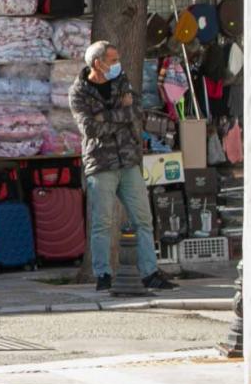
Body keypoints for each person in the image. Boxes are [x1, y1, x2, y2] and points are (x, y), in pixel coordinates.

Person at [68, 40, 173, 295]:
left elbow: (135, 111)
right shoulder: (79, 92)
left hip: (128, 160)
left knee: (143, 219)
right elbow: (90, 128)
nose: (118, 65)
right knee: (102, 222)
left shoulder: (122, 81)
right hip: (101, 163)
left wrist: (105, 116)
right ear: (98, 63)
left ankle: (150, 273)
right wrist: (119, 114)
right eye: (113, 60)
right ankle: (103, 274)